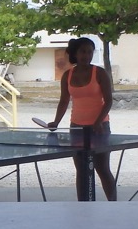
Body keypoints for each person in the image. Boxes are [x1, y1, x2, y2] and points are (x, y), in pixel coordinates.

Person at [46, 37, 117, 201]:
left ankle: (113, 204)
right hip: (77, 128)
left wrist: (98, 121)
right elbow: (64, 101)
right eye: (83, 52)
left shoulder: (99, 73)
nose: (86, 55)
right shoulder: (67, 75)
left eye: (90, 52)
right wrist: (55, 122)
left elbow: (108, 101)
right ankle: (83, 205)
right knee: (82, 170)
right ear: (75, 54)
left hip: (99, 128)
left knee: (102, 168)